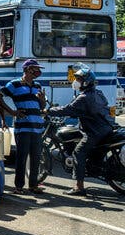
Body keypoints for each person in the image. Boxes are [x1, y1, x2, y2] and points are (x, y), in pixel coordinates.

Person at [47, 65, 114, 195]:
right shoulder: (97, 93)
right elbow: (94, 108)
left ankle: (79, 187)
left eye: (78, 79)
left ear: (86, 81)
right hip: (106, 127)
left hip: (95, 131)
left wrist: (48, 111)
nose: (75, 81)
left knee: (78, 153)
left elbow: (66, 109)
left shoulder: (84, 97)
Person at [0, 59, 46, 195]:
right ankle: (19, 187)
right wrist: (12, 112)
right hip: (23, 127)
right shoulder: (14, 84)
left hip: (37, 126)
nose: (38, 71)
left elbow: (41, 107)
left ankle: (33, 185)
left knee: (36, 157)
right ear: (28, 69)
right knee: (22, 157)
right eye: (35, 69)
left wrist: (42, 100)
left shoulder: (37, 85)